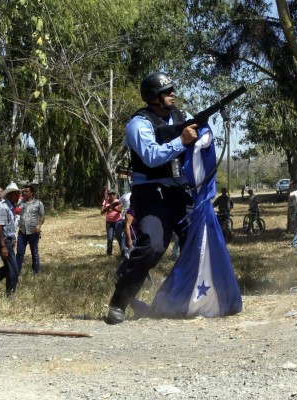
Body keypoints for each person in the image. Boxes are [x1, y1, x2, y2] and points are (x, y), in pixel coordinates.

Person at [104, 71, 200, 324]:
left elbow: (203, 136)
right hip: (150, 193)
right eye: (167, 91)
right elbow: (151, 156)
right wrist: (181, 141)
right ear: (153, 97)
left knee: (199, 240)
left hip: (180, 191)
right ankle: (119, 302)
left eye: (172, 90)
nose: (173, 94)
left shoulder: (183, 116)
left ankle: (189, 298)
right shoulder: (138, 124)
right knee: (153, 246)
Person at [0, 182, 21, 298]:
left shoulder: (11, 207)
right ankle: (10, 294)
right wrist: (4, 246)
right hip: (4, 242)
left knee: (8, 268)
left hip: (8, 240)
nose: (18, 197)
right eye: (16, 195)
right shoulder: (3, 208)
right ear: (10, 195)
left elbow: (9, 226)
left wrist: (13, 239)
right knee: (14, 270)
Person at [16, 185, 45, 275]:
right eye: (24, 191)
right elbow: (15, 206)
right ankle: (17, 272)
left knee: (34, 251)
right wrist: (20, 195)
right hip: (22, 231)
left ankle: (36, 271)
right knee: (20, 252)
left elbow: (42, 216)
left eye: (26, 191)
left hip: (33, 231)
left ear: (32, 193)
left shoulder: (38, 203)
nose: (24, 193)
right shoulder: (21, 202)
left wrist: (39, 226)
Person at [101, 189, 124, 256]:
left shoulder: (118, 201)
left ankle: (123, 252)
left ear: (115, 195)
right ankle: (109, 253)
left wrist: (113, 208)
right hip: (109, 222)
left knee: (119, 236)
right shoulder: (105, 202)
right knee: (110, 238)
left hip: (118, 221)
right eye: (110, 194)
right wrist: (107, 208)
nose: (112, 195)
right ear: (108, 195)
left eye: (113, 194)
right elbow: (102, 212)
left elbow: (120, 211)